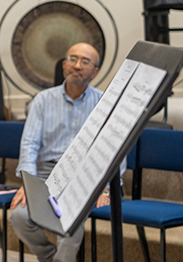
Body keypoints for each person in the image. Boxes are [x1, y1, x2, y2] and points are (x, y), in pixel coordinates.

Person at [9, 42, 110, 262]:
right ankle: (49, 257)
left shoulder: (104, 103)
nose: (77, 65)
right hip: (46, 176)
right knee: (18, 216)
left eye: (85, 61)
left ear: (95, 71)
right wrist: (29, 183)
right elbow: (29, 144)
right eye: (72, 59)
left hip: (85, 178)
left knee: (70, 220)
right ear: (64, 65)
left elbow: (113, 149)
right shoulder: (42, 100)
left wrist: (106, 187)